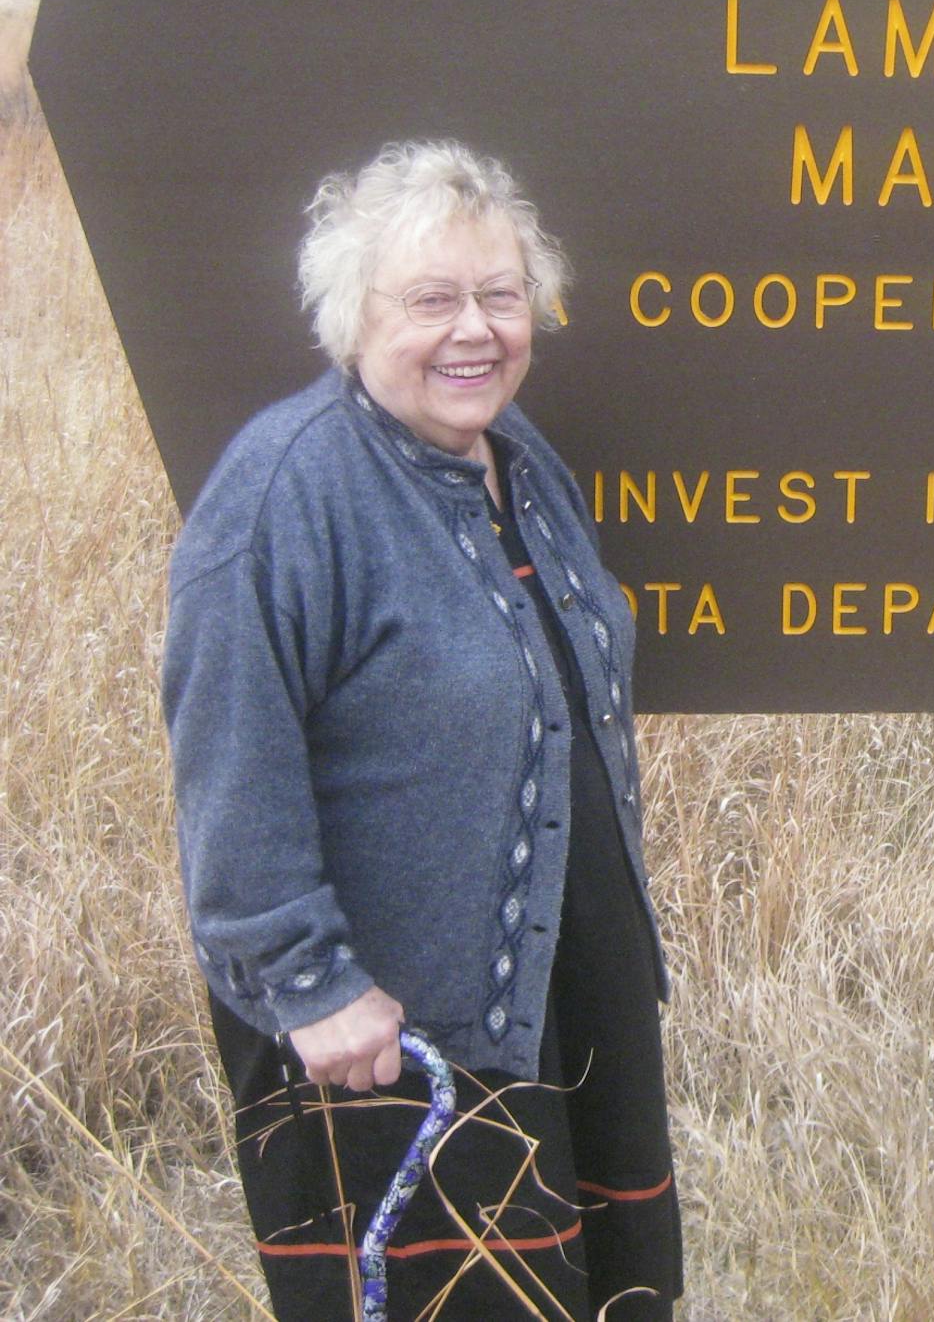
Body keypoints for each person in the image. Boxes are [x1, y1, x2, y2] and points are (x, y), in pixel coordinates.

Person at [164, 142, 682, 1321]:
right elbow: (228, 757)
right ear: (353, 317)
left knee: (601, 1291)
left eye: (501, 295)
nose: (476, 330)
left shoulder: (520, 459)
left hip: (561, 993)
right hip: (395, 1039)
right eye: (432, 299)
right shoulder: (283, 496)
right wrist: (306, 982)